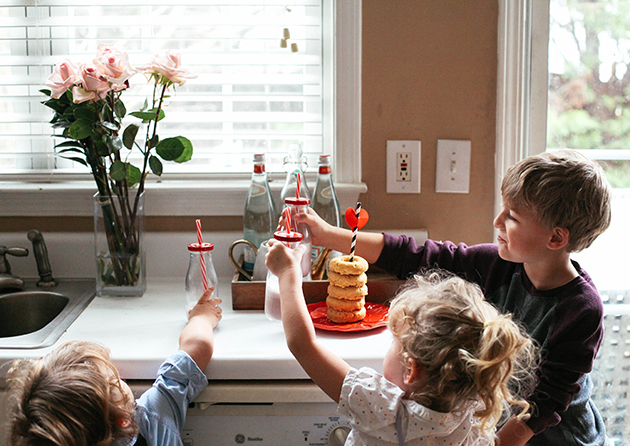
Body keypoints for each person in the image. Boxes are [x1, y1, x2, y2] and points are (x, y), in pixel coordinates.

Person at [296, 149, 612, 446]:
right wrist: (328, 235)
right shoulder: (497, 265)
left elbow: (545, 404)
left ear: (555, 237)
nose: (497, 221)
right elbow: (415, 255)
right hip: (493, 429)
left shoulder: (581, 308)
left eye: (512, 217)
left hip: (553, 438)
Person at [266, 240, 538, 446]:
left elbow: (303, 344)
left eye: (394, 343)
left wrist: (288, 272)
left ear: (411, 370)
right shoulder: (473, 414)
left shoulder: (380, 406)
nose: (389, 348)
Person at [7, 288, 222, 446]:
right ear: (124, 420)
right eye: (115, 380)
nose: (120, 376)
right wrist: (202, 316)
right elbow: (198, 346)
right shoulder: (151, 420)